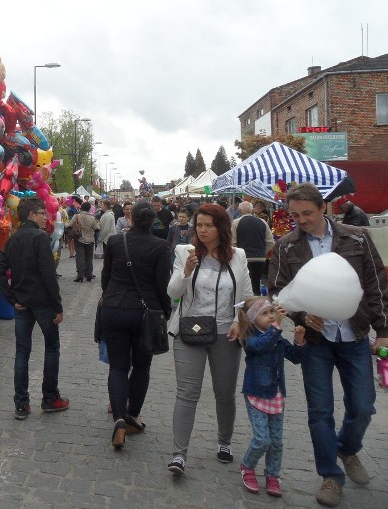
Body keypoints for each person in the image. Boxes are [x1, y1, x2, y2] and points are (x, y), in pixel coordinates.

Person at [268, 182, 388, 507]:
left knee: (363, 406)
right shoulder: (286, 247)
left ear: (324, 208)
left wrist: (383, 329)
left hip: (355, 335)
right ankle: (330, 476)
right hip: (317, 342)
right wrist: (304, 316)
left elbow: (376, 284)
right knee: (319, 411)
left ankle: (347, 449)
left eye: (307, 213)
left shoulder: (357, 237)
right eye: (295, 215)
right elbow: (278, 292)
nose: (301, 220)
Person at [166, 203, 253, 475]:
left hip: (226, 332)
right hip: (189, 330)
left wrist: (241, 322)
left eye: (208, 225)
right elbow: (173, 293)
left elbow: (246, 297)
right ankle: (179, 455)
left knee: (225, 393)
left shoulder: (238, 256)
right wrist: (186, 272)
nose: (202, 230)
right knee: (187, 393)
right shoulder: (184, 252)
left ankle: (224, 441)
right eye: (198, 225)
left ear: (221, 228)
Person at [95, 200, 171, 449]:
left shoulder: (117, 242)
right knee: (141, 367)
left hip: (114, 309)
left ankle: (118, 417)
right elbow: (162, 285)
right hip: (144, 313)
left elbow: (105, 277)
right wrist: (166, 311)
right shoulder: (161, 246)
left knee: (117, 367)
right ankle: (132, 416)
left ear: (131, 219)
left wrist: (109, 298)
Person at [0, 197, 69, 420]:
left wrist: (11, 297)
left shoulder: (14, 239)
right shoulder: (41, 238)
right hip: (43, 303)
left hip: (21, 303)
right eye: (41, 213)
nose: (45, 216)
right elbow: (48, 275)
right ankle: (49, 398)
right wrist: (58, 306)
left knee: (22, 352)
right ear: (31, 215)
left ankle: (21, 404)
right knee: (52, 347)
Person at [236, 297, 306, 497]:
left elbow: (295, 357)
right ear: (252, 320)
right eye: (264, 314)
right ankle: (247, 466)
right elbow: (261, 346)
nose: (271, 317)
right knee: (262, 439)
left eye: (271, 312)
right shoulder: (250, 339)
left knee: (276, 441)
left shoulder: (276, 336)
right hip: (256, 394)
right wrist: (275, 328)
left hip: (276, 395)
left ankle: (272, 475)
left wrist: (299, 343)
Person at [232, 201, 274, 294]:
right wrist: (263, 252)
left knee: (243, 287)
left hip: (243, 259)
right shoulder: (262, 222)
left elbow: (233, 243)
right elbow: (271, 242)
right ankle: (257, 305)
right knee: (256, 285)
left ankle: (245, 307)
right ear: (252, 210)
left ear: (240, 210)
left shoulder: (236, 222)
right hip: (260, 259)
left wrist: (238, 256)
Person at [67, 201, 99, 282]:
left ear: (81, 208)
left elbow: (69, 225)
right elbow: (97, 228)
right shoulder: (92, 217)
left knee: (79, 258)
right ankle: (89, 274)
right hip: (90, 240)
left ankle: (80, 275)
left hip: (79, 239)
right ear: (89, 209)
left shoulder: (76, 216)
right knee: (89, 258)